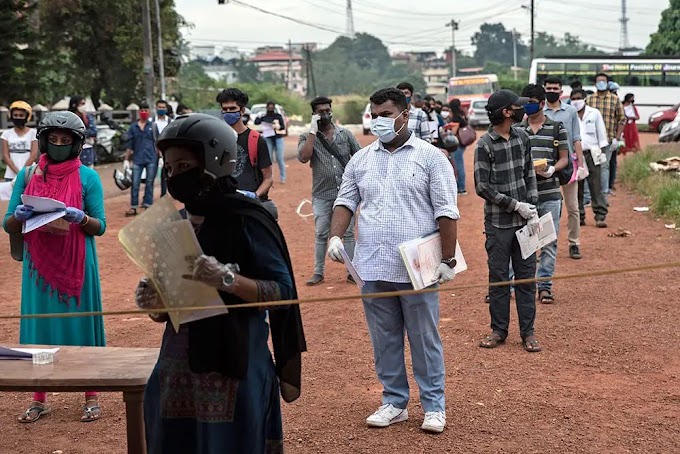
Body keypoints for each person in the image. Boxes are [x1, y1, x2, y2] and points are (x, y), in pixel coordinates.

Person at [135, 113, 306, 453]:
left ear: (216, 162)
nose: (174, 176)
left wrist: (227, 278)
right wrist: (154, 301)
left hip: (235, 363)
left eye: (184, 165)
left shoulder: (249, 219)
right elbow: (168, 311)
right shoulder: (173, 225)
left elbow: (283, 293)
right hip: (176, 366)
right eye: (168, 169)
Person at [328, 88, 459, 434]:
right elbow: (345, 201)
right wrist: (336, 236)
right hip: (372, 266)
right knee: (384, 339)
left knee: (424, 338)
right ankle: (395, 402)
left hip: (417, 268)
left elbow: (447, 211)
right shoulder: (361, 160)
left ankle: (433, 406)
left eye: (385, 114)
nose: (378, 121)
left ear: (405, 114)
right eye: (374, 114)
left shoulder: (431, 158)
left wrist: (447, 259)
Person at [3, 111, 107, 423]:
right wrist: (19, 215)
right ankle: (39, 398)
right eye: (53, 139)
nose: (59, 144)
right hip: (39, 268)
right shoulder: (28, 174)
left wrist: (82, 217)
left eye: (65, 140)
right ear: (44, 140)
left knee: (82, 325)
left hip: (77, 265)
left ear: (77, 144)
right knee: (40, 329)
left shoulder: (89, 177)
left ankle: (91, 395)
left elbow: (100, 226)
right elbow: (7, 223)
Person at [474, 89, 541, 353]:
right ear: (506, 112)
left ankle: (528, 332)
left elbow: (529, 174)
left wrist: (533, 210)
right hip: (498, 225)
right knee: (500, 279)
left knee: (526, 279)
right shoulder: (485, 144)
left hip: (526, 224)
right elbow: (482, 186)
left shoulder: (522, 137)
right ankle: (498, 330)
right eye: (516, 107)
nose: (521, 110)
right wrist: (516, 206)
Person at [297, 96, 361, 286]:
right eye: (320, 112)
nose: (325, 114)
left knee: (348, 234)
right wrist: (312, 131)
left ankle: (352, 271)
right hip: (322, 194)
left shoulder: (345, 134)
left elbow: (359, 157)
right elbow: (303, 157)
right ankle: (318, 272)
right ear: (314, 115)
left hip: (346, 193)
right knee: (321, 233)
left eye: (327, 110)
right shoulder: (308, 137)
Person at [520, 84, 569, 304]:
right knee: (522, 241)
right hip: (524, 195)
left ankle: (545, 286)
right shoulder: (518, 129)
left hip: (550, 194)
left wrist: (552, 169)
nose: (528, 105)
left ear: (542, 103)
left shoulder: (556, 128)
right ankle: (518, 283)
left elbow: (564, 158)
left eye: (532, 101)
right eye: (525, 101)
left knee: (548, 241)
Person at [542, 76, 586, 260]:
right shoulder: (538, 112)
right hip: (544, 166)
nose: (552, 91)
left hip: (568, 164)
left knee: (573, 207)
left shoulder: (570, 112)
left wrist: (581, 164)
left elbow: (576, 138)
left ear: (561, 91)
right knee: (543, 208)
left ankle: (574, 242)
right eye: (549, 88)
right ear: (544, 89)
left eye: (555, 88)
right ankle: (544, 245)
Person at [216, 88, 276, 219]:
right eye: (224, 109)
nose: (228, 112)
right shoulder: (217, 140)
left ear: (242, 111)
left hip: (251, 207)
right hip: (226, 205)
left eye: (232, 109)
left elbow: (268, 178)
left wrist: (254, 195)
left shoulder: (256, 140)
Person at [570, 89, 609, 227]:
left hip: (592, 153)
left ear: (585, 98)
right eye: (573, 98)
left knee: (595, 185)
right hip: (575, 155)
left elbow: (601, 133)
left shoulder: (594, 113)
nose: (576, 101)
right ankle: (579, 215)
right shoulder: (570, 114)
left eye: (578, 98)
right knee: (577, 186)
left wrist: (602, 152)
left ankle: (600, 215)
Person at [587, 73, 625, 202]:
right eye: (599, 81)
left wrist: (617, 138)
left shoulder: (614, 100)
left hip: (608, 139)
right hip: (591, 140)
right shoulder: (590, 99)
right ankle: (589, 196)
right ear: (595, 84)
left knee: (604, 166)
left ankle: (603, 195)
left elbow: (621, 119)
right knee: (590, 166)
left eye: (603, 81)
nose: (601, 83)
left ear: (607, 83)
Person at [124, 102, 158, 216]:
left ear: (149, 112)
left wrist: (162, 157)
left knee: (149, 182)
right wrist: (126, 159)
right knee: (135, 183)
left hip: (151, 157)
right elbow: (129, 144)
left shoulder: (153, 126)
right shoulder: (133, 127)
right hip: (137, 158)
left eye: (146, 110)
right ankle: (134, 206)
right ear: (139, 112)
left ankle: (148, 204)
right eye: (142, 110)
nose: (144, 112)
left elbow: (157, 142)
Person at [2, 101, 38, 181]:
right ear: (11, 116)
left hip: (29, 174)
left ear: (27, 116)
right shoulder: (6, 134)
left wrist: (22, 173)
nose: (18, 117)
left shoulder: (33, 133)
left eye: (21, 115)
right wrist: (17, 173)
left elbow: (33, 156)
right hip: (10, 176)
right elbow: (6, 156)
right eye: (15, 115)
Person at [254, 101, 286, 184]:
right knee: (269, 159)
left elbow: (283, 127)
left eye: (272, 108)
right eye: (269, 107)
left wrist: (277, 126)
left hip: (278, 138)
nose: (270, 109)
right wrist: (259, 116)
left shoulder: (278, 116)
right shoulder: (264, 116)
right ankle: (269, 177)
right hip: (268, 138)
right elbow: (256, 122)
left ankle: (283, 177)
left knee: (279, 158)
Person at [68, 96, 98, 169]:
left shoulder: (88, 117)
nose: (84, 106)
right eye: (82, 103)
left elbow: (94, 131)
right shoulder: (68, 118)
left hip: (88, 153)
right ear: (74, 105)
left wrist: (78, 132)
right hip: (72, 153)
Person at [448, 99, 469, 195]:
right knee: (459, 164)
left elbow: (453, 132)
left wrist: (448, 128)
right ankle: (460, 186)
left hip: (457, 144)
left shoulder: (455, 117)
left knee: (458, 165)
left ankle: (461, 187)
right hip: (463, 143)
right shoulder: (462, 114)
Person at [153, 99, 172, 197]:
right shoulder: (151, 122)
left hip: (166, 152)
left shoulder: (170, 121)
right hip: (152, 152)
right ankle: (148, 197)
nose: (161, 109)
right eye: (159, 107)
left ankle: (164, 194)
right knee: (150, 175)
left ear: (166, 108)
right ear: (156, 108)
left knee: (165, 175)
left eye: (163, 107)